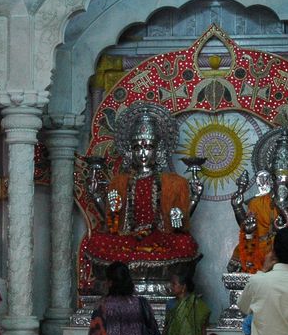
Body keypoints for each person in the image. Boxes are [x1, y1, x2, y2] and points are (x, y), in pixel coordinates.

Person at [82, 104, 203, 283]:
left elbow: (179, 226)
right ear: (130, 151)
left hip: (160, 238)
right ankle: (122, 282)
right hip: (127, 238)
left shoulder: (174, 182)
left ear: (159, 149)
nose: (143, 153)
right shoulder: (120, 182)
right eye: (137, 147)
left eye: (148, 147)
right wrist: (96, 196)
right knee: (97, 242)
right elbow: (112, 221)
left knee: (184, 243)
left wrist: (194, 199)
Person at [229, 129, 288, 273]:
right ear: (268, 179)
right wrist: (238, 211)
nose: (283, 184)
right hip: (266, 257)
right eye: (277, 178)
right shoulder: (257, 204)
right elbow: (250, 233)